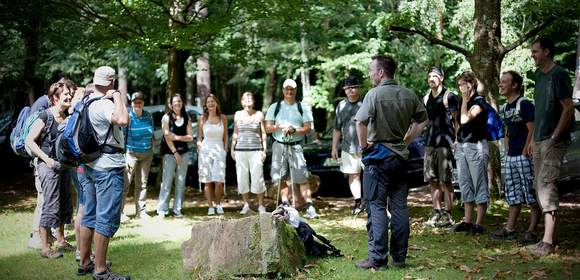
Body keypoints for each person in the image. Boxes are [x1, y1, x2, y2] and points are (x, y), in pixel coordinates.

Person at [354, 55, 427, 270]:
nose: (370, 74)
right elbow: (423, 119)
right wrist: (407, 139)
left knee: (376, 206)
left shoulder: (373, 95)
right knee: (399, 207)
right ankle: (399, 257)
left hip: (378, 159)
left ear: (381, 73)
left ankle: (377, 259)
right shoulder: (408, 94)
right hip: (400, 158)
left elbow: (360, 122)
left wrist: (364, 146)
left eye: (371, 70)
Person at [78, 66, 130, 280]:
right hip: (107, 168)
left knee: (89, 213)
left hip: (90, 166)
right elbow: (122, 119)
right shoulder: (104, 104)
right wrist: (117, 96)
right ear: (111, 81)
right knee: (105, 217)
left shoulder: (86, 102)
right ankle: (100, 270)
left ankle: (84, 262)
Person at [527, 38, 574, 256]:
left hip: (554, 141)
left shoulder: (559, 74)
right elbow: (539, 111)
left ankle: (547, 243)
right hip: (539, 139)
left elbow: (568, 108)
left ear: (547, 51)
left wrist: (554, 137)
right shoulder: (539, 76)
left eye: (535, 51)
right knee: (540, 187)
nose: (532, 55)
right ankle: (548, 239)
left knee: (547, 185)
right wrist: (531, 140)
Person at [25, 78, 77, 258]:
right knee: (51, 204)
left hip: (63, 165)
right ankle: (45, 248)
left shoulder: (68, 116)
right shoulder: (45, 116)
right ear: (54, 98)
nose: (69, 96)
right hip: (47, 165)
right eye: (65, 95)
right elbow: (29, 140)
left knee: (64, 203)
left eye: (69, 94)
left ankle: (61, 241)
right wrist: (46, 160)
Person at [490, 71, 540, 244]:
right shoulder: (506, 107)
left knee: (531, 193)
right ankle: (510, 229)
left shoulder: (524, 104)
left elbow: (532, 128)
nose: (500, 85)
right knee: (513, 194)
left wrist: (527, 147)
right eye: (500, 82)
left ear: (514, 85)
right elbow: (508, 130)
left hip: (524, 156)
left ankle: (532, 231)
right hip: (511, 157)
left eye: (504, 82)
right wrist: (506, 148)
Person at [265, 78, 318, 219]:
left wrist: (294, 130)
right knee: (280, 177)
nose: (289, 91)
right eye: (287, 89)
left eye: (292, 89)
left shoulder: (302, 107)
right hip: (279, 145)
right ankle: (285, 203)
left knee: (302, 177)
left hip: (296, 146)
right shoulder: (274, 107)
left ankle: (309, 206)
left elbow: (308, 128)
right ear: (283, 90)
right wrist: (279, 126)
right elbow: (267, 128)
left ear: (295, 90)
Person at [451, 71, 489, 235]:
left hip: (476, 146)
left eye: (463, 84)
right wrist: (456, 139)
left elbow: (466, 118)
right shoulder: (462, 101)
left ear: (471, 83)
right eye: (459, 85)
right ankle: (467, 221)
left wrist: (465, 100)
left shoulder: (479, 101)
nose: (460, 88)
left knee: (479, 182)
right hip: (463, 146)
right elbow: (459, 122)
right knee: (465, 183)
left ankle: (478, 224)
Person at [422, 67, 460, 228]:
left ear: (442, 78)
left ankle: (448, 214)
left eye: (435, 76)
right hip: (429, 143)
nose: (431, 79)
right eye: (429, 76)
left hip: (445, 144)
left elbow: (457, 121)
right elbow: (424, 121)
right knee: (432, 180)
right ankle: (437, 211)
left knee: (446, 180)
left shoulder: (449, 96)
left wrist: (457, 140)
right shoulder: (426, 98)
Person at [331, 76, 364, 215]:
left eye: (354, 87)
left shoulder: (365, 104)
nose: (351, 90)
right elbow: (337, 128)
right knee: (353, 175)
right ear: (344, 90)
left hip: (365, 147)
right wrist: (334, 147)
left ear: (358, 88)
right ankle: (358, 202)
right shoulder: (341, 106)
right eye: (348, 88)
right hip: (347, 147)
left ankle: (370, 202)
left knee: (369, 175)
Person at [157, 93, 193, 218]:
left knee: (181, 182)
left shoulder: (186, 117)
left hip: (185, 153)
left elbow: (190, 137)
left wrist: (177, 137)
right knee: (166, 182)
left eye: (179, 101)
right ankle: (162, 209)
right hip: (170, 154)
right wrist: (175, 152)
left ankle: (177, 209)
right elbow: (167, 137)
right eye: (175, 102)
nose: (177, 103)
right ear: (170, 104)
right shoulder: (166, 118)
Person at [231, 92, 267, 215]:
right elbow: (235, 132)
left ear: (253, 101)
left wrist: (264, 150)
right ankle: (246, 204)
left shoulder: (259, 115)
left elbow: (263, 133)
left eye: (250, 98)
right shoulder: (238, 115)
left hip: (256, 151)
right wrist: (232, 148)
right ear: (242, 102)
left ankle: (261, 206)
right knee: (242, 178)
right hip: (240, 151)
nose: (247, 101)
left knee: (258, 178)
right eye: (245, 99)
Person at [122, 92, 155, 220]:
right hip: (131, 154)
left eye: (140, 101)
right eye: (135, 101)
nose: (138, 104)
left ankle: (140, 212)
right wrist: (124, 155)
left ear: (143, 103)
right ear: (132, 103)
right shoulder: (128, 116)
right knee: (126, 183)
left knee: (142, 184)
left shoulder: (148, 116)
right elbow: (123, 136)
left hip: (147, 154)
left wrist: (151, 148)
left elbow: (151, 133)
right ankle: (120, 213)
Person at [197, 94, 228, 215]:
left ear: (216, 103)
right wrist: (200, 147)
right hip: (205, 151)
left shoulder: (223, 118)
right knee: (207, 180)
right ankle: (210, 206)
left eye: (213, 101)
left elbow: (226, 137)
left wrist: (225, 150)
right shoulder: (202, 119)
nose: (211, 103)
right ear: (206, 105)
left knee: (219, 181)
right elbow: (199, 138)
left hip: (219, 150)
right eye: (208, 102)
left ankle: (218, 204)